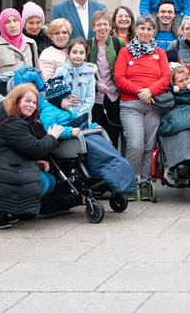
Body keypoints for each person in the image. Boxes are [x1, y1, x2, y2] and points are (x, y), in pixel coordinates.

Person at [0, 83, 63, 228]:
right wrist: (52, 137)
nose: (31, 105)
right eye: (27, 101)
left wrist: (35, 163)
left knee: (49, 180)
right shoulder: (13, 122)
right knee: (43, 182)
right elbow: (35, 149)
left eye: (34, 102)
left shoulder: (12, 117)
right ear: (16, 101)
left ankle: (9, 209)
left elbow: (15, 150)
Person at [114, 14, 171, 202]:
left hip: (154, 105)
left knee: (149, 146)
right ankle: (130, 182)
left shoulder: (160, 53)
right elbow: (119, 78)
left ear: (153, 31)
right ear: (136, 30)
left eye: (149, 29)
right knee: (136, 144)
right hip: (131, 105)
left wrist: (150, 91)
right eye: (142, 28)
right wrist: (141, 91)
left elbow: (165, 77)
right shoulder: (125, 52)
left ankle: (145, 182)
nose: (145, 32)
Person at [89, 10, 126, 149]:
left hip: (114, 95)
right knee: (96, 134)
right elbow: (85, 71)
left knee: (113, 134)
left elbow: (125, 66)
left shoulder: (118, 42)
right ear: (93, 27)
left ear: (110, 26)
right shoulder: (88, 44)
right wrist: (96, 84)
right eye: (98, 25)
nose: (102, 28)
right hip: (95, 97)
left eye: (105, 24)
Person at [0, 8, 37, 77]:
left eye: (15, 20)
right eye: (7, 22)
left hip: (28, 87)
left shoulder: (30, 43)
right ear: (2, 25)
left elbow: (37, 72)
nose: (12, 25)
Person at [59, 37, 97, 120]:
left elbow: (90, 98)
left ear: (85, 56)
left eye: (81, 53)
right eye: (74, 52)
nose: (77, 56)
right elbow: (55, 94)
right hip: (64, 116)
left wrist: (79, 116)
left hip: (83, 117)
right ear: (68, 54)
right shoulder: (61, 71)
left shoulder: (89, 73)